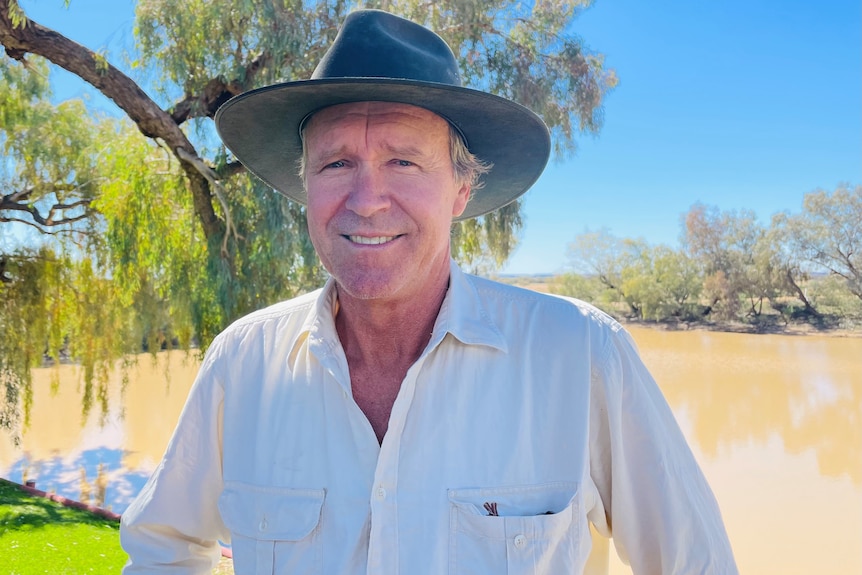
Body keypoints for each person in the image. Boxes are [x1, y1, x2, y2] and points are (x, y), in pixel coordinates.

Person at [121, 9, 737, 575]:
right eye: (336, 164)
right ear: (304, 188)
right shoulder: (242, 362)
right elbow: (162, 547)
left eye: (404, 163)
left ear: (461, 192)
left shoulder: (582, 355)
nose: (366, 202)